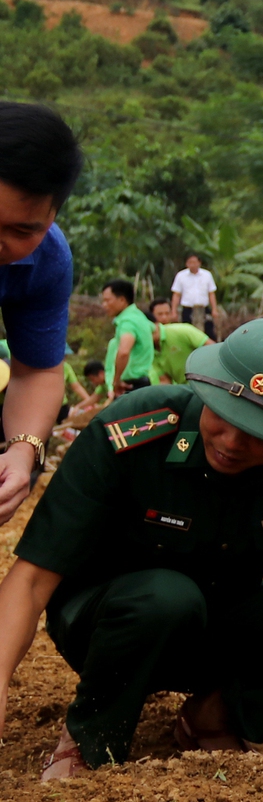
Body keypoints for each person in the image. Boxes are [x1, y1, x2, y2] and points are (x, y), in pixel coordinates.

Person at [0, 319, 263, 778]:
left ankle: (213, 715)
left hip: (216, 618)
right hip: (106, 624)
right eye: (223, 416)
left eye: (257, 433)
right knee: (166, 597)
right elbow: (31, 580)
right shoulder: (133, 429)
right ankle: (91, 737)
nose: (231, 442)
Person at [0, 102, 82, 527]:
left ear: (52, 217)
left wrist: (22, 448)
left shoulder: (47, 260)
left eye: (21, 230)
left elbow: (35, 371)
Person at [100, 279, 155, 397]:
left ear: (122, 300)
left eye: (107, 300)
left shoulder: (127, 322)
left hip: (131, 386)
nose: (104, 305)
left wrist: (116, 381)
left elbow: (124, 352)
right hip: (144, 381)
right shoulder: (139, 316)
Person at [148, 298, 210, 386]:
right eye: (160, 314)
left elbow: (213, 349)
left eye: (167, 313)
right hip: (186, 389)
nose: (164, 317)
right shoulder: (148, 349)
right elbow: (165, 381)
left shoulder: (182, 330)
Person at [170, 252, 223, 339]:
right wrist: (173, 311)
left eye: (194, 262)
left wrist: (214, 309)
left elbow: (211, 293)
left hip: (203, 309)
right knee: (187, 332)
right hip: (188, 309)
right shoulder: (181, 276)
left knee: (209, 331)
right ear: (186, 264)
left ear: (199, 263)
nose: (192, 265)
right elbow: (176, 294)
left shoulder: (207, 275)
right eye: (190, 262)